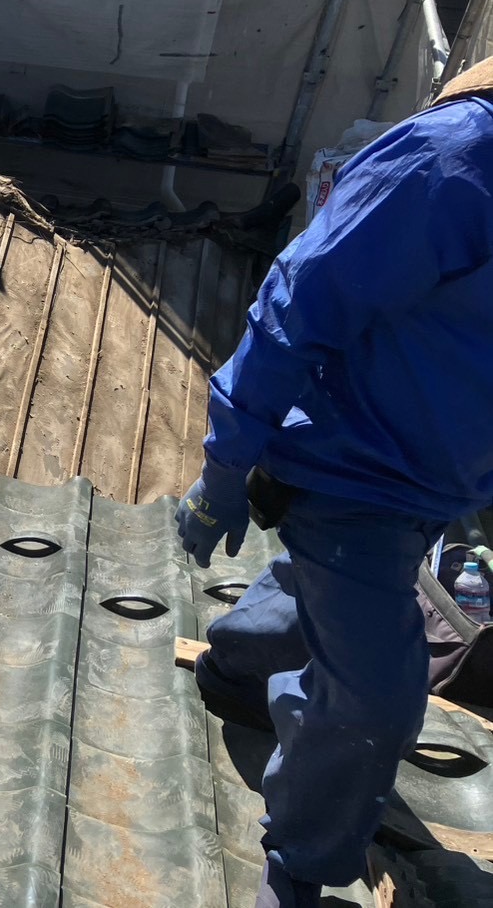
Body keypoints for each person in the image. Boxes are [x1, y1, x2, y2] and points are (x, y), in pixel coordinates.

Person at [175, 60, 493, 908]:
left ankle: (236, 672)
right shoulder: (453, 157)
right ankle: (301, 860)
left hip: (427, 476)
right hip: (355, 473)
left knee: (321, 591)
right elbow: (297, 304)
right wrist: (224, 465)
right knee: (377, 701)